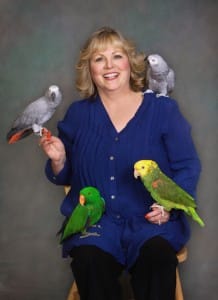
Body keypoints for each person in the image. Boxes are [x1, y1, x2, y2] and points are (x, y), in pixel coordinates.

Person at [40, 27, 201, 300]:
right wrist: (59, 159)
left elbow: (187, 165)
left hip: (151, 223)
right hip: (96, 225)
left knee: (158, 259)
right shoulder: (78, 115)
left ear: (130, 62)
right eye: (98, 58)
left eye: (117, 56)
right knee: (88, 260)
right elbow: (63, 174)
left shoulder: (163, 110)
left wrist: (167, 208)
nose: (109, 65)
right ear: (89, 69)